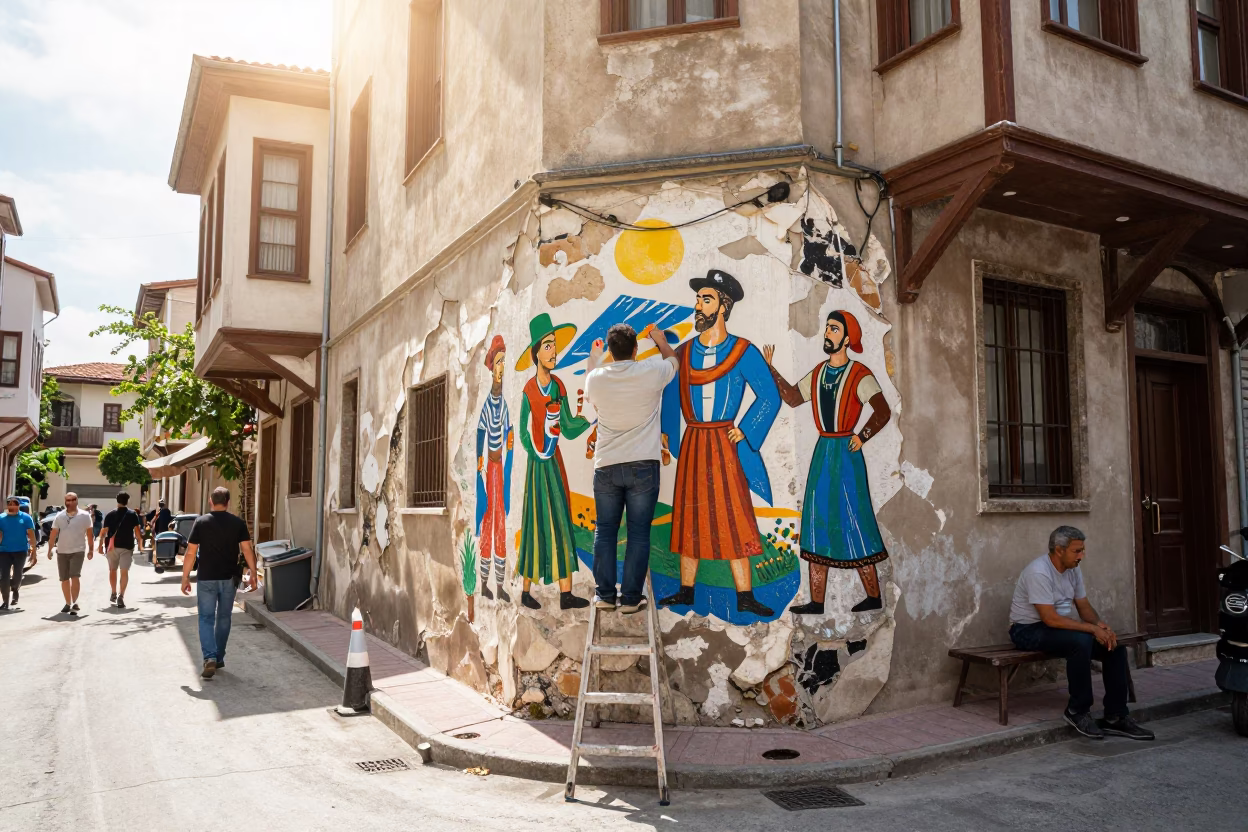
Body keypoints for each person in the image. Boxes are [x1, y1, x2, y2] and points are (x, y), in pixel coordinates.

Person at [658, 270, 781, 616]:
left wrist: (747, 429)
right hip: (695, 441)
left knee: (734, 515)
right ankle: (685, 591)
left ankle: (745, 595)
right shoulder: (682, 354)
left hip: (725, 444)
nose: (698, 305)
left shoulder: (743, 351)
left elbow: (769, 396)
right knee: (689, 516)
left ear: (723, 307)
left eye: (706, 299)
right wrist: (668, 438)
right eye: (698, 299)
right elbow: (670, 398)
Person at [763, 310, 892, 614]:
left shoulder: (859, 374)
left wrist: (862, 436)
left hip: (846, 453)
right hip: (824, 451)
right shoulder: (820, 372)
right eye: (828, 328)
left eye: (834, 329)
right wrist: (771, 369)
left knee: (855, 520)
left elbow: (882, 411)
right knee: (817, 520)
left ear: (847, 339)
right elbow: (794, 398)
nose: (827, 333)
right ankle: (817, 602)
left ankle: (873, 595)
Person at [1009, 526, 1154, 741]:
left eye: (1082, 550)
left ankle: (1116, 716)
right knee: (1081, 642)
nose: (1082, 556)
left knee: (1114, 646)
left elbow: (1083, 606)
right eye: (1077, 551)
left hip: (1057, 628)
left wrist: (1101, 626)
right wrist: (1091, 629)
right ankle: (1077, 711)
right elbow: (1049, 618)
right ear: (1059, 550)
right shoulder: (1038, 572)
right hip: (1027, 630)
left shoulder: (1073, 568)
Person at [584, 322, 677, 615]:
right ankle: (631, 598)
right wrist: (660, 340)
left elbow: (589, 387)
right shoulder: (651, 371)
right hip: (643, 466)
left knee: (605, 531)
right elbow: (673, 361)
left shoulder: (597, 378)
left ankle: (605, 595)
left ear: (611, 351)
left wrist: (593, 358)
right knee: (638, 533)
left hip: (607, 466)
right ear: (636, 349)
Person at [515, 313, 592, 611]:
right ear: (536, 353)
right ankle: (525, 590)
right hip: (538, 465)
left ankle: (566, 593)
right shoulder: (528, 391)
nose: (553, 352)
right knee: (535, 523)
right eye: (547, 346)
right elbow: (522, 431)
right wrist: (537, 449)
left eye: (554, 346)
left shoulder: (558, 386)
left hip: (555, 463)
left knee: (561, 519)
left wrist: (587, 420)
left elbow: (569, 425)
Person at [181, 487, 257, 679]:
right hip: (229, 578)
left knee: (206, 618)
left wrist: (185, 577)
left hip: (206, 578)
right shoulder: (238, 523)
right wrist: (254, 572)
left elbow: (190, 552)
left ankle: (209, 657)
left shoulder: (201, 522)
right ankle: (219, 657)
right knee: (224, 619)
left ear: (210, 501)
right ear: (228, 502)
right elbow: (247, 549)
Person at [475, 335, 514, 602]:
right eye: (499, 362)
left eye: (504, 362)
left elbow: (508, 429)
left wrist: (510, 439)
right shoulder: (489, 404)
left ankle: (500, 585)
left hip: (501, 468)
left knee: (500, 522)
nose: (502, 367)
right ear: (492, 367)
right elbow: (481, 431)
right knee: (488, 520)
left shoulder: (504, 404)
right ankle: (484, 583)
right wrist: (480, 463)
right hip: (489, 469)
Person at [47, 493, 95, 615]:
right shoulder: (60, 516)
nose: (71, 502)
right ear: (65, 502)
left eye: (74, 500)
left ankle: (75, 603)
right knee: (64, 579)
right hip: (62, 551)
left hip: (78, 550)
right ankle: (67, 603)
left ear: (77, 501)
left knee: (75, 576)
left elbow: (90, 534)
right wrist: (50, 549)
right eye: (69, 500)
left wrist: (91, 549)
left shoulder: (85, 516)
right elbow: (53, 534)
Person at [99, 491, 145, 609]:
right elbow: (137, 532)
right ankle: (121, 596)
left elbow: (103, 532)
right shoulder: (132, 514)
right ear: (127, 501)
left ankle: (113, 593)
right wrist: (140, 545)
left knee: (112, 570)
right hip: (127, 547)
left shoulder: (110, 514)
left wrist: (100, 545)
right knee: (124, 572)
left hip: (112, 546)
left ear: (117, 500)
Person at [0, 496, 37, 610]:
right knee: (4, 577)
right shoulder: (1, 518)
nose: (12, 506)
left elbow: (31, 535)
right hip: (4, 551)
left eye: (14, 504)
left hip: (20, 551)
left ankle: (15, 589)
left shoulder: (25, 518)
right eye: (10, 504)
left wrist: (34, 552)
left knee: (17, 575)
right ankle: (5, 601)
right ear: (7, 505)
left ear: (18, 505)